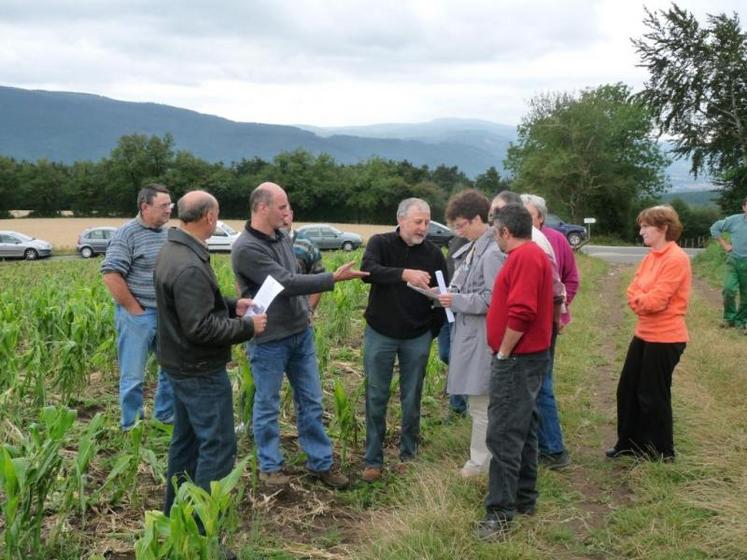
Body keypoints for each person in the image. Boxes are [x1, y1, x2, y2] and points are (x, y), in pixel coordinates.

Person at [231, 182, 367, 489]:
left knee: (312, 400)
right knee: (267, 403)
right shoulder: (246, 248)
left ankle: (320, 463)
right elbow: (287, 282)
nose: (287, 212)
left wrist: (306, 314)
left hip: (299, 332)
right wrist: (333, 277)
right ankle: (270, 468)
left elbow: (295, 277)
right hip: (269, 340)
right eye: (281, 207)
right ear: (262, 208)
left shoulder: (280, 237)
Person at [155, 191, 267, 525]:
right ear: (209, 218)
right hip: (199, 369)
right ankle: (200, 534)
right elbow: (199, 328)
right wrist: (247, 327)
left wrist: (233, 304)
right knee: (218, 447)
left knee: (186, 445)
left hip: (179, 364)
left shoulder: (173, 250)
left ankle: (174, 519)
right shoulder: (189, 264)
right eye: (216, 214)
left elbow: (192, 306)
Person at [477, 204, 554, 540]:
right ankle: (524, 498)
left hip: (517, 359)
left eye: (496, 231)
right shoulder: (536, 255)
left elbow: (522, 312)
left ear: (505, 231)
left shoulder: (523, 258)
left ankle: (500, 515)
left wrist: (505, 351)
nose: (495, 236)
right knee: (525, 428)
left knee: (504, 434)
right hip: (532, 357)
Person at [359, 198, 447, 483]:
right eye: (418, 222)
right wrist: (403, 274)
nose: (424, 228)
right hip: (380, 333)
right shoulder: (380, 244)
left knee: (412, 398)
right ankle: (373, 460)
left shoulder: (434, 254)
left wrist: (430, 332)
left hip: (417, 336)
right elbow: (367, 272)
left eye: (427, 222)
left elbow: (443, 298)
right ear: (401, 220)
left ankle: (409, 454)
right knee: (376, 396)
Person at [607, 205, 691, 462]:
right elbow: (633, 291)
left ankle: (661, 451)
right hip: (644, 332)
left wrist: (642, 301)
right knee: (628, 389)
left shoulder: (676, 259)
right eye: (641, 226)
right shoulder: (650, 257)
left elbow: (657, 301)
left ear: (663, 228)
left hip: (666, 337)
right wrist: (640, 301)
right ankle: (630, 444)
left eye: (646, 226)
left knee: (653, 394)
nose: (641, 231)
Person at [436, 190, 505, 478]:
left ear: (478, 219)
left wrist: (457, 301)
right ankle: (481, 461)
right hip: (472, 335)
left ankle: (479, 464)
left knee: (481, 405)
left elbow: (493, 299)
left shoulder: (491, 253)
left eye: (461, 225)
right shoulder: (476, 246)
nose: (458, 231)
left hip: (482, 338)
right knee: (479, 404)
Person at [101, 183, 175, 430]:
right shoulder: (127, 234)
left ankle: (165, 416)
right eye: (163, 205)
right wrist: (135, 310)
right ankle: (131, 425)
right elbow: (111, 274)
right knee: (133, 376)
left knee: (171, 368)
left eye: (170, 205)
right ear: (145, 206)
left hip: (165, 315)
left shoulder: (166, 234)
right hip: (138, 315)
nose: (169, 210)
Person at [521, 193, 580, 470]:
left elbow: (569, 280)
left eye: (529, 215)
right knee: (536, 383)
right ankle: (539, 442)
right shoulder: (521, 240)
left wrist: (561, 316)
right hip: (531, 321)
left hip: (545, 323)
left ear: (541, 218)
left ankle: (553, 449)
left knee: (542, 383)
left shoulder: (553, 241)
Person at [436, 234, 470, 417]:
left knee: (458, 356)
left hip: (463, 307)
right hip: (446, 305)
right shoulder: (458, 239)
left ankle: (458, 407)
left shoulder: (484, 245)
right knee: (446, 353)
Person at [710, 197, 747, 334]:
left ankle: (742, 321)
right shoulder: (734, 220)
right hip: (734, 261)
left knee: (746, 295)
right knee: (728, 289)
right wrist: (724, 244)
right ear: (744, 207)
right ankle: (729, 318)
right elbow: (715, 228)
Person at [284, 207, 324, 313]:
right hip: (268, 319)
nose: (283, 219)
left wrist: (309, 311)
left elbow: (319, 279)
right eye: (279, 214)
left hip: (301, 315)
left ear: (291, 214)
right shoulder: (263, 245)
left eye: (286, 215)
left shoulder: (307, 244)